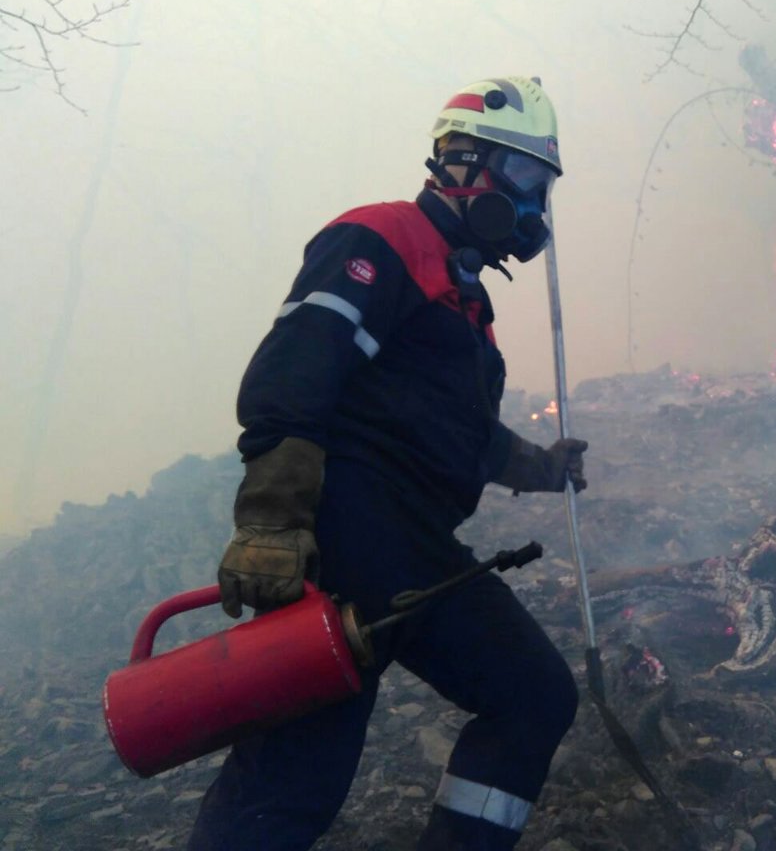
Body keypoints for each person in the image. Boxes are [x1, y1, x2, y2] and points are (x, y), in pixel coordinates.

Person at [187, 76, 587, 851]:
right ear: (463, 161)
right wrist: (271, 519)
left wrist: (544, 466)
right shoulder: (380, 239)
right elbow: (294, 374)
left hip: (418, 553)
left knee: (533, 696)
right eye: (528, 179)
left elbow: (461, 438)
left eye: (544, 187)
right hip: (343, 541)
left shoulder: (467, 299)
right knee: (296, 777)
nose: (536, 206)